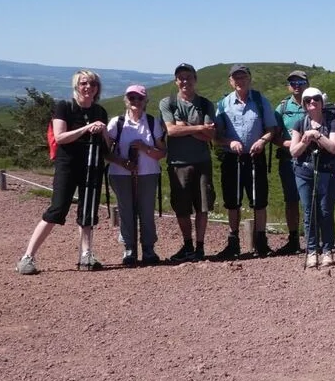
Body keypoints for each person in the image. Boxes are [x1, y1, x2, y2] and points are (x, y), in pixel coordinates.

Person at [16, 70, 109, 274]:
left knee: (87, 211)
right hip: (67, 165)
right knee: (57, 209)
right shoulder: (64, 107)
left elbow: (107, 143)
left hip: (91, 165)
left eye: (93, 84)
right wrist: (86, 129)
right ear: (76, 85)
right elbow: (60, 137)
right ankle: (27, 256)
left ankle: (86, 254)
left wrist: (104, 132)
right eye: (84, 83)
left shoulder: (100, 111)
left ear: (97, 88)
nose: (88, 87)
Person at [213, 64, 279, 260]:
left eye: (243, 77)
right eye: (236, 78)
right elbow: (216, 136)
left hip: (254, 156)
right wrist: (230, 141)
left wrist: (262, 141)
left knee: (259, 201)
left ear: (249, 79)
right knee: (232, 201)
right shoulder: (223, 104)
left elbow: (271, 129)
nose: (240, 81)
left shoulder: (260, 101)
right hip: (232, 158)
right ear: (231, 81)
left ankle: (261, 242)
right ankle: (233, 243)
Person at [159, 63, 217, 262]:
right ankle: (188, 245)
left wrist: (187, 127)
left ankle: (199, 247)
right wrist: (198, 129)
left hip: (201, 161)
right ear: (176, 81)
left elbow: (210, 134)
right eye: (181, 77)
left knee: (203, 206)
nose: (185, 81)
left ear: (195, 79)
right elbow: (171, 131)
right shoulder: (168, 102)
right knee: (181, 208)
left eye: (188, 77)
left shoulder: (205, 103)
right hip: (177, 163)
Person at [106, 85, 168, 267]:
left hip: (148, 173)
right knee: (126, 211)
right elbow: (106, 152)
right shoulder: (116, 123)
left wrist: (144, 148)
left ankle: (148, 248)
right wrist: (123, 162)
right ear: (126, 100)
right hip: (120, 174)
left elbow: (162, 152)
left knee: (147, 211)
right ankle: (129, 248)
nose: (135, 102)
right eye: (132, 98)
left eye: (139, 98)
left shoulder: (152, 122)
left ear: (145, 101)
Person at [288, 87, 335, 269]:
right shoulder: (299, 124)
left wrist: (317, 135)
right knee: (309, 212)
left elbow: (334, 147)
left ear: (321, 102)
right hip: (304, 172)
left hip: (328, 172)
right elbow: (293, 151)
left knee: (326, 211)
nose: (312, 102)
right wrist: (305, 139)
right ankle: (311, 251)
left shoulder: (333, 123)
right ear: (303, 104)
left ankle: (327, 250)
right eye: (308, 100)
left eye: (316, 99)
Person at [272, 70, 314, 256]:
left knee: (312, 199)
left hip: (311, 159)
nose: (297, 85)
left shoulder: (314, 103)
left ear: (307, 83)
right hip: (289, 159)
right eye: (293, 82)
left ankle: (314, 239)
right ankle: (294, 239)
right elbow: (273, 136)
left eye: (300, 82)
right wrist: (288, 143)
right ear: (289, 86)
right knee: (291, 200)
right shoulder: (282, 108)